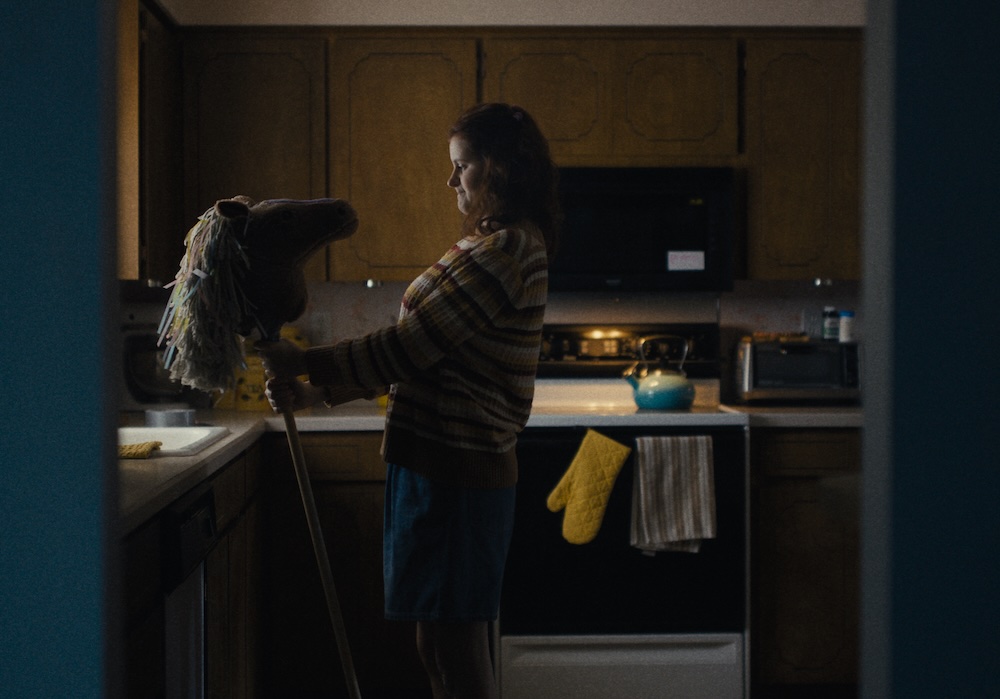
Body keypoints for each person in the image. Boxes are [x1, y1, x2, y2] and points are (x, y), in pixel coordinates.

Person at [258, 102, 560, 699]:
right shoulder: (482, 245)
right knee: (435, 645)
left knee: (456, 649)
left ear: (498, 168)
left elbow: (409, 346)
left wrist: (306, 361)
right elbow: (423, 360)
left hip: (459, 476)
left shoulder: (507, 252)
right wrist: (317, 392)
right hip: (434, 468)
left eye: (462, 166)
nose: (451, 180)